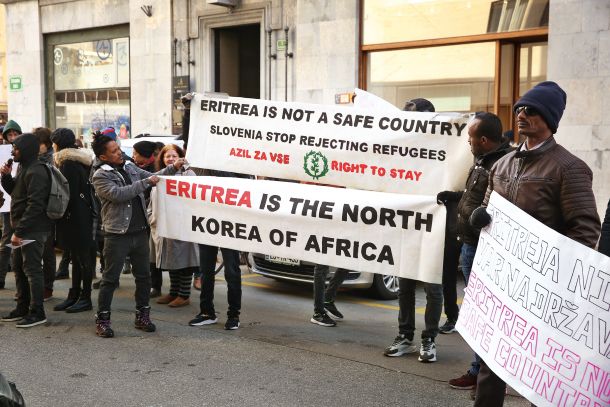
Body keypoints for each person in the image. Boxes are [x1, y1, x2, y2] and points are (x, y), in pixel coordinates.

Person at [472, 81, 601, 406]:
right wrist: (479, 217)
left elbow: (585, 230)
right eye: (519, 109)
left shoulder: (569, 168)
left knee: (539, 368)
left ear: (550, 119)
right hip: (503, 282)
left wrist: (561, 282)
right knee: (491, 359)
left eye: (532, 110)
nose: (522, 114)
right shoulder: (501, 164)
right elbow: (488, 209)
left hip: (544, 289)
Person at [437, 112, 513, 392]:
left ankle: (482, 374)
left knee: (484, 314)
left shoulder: (503, 165)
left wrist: (477, 218)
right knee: (479, 312)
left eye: (470, 137)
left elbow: (494, 207)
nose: (467, 142)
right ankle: (481, 372)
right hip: (470, 243)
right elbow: (475, 199)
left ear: (482, 140)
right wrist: (454, 198)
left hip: (483, 247)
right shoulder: (482, 161)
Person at [91, 132, 185, 338]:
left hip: (140, 232)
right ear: (103, 157)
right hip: (117, 234)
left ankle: (142, 316)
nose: (120, 153)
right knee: (110, 279)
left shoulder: (129, 166)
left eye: (119, 149)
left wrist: (174, 167)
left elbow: (155, 177)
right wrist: (146, 183)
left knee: (143, 277)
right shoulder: (100, 175)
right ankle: (102, 320)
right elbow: (118, 194)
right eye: (114, 151)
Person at [383, 98, 443, 363]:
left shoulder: (445, 147)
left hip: (435, 227)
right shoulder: (402, 147)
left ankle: (429, 339)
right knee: (405, 285)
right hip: (407, 226)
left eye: (413, 117)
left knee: (433, 287)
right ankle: (405, 335)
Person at [0, 133, 52, 328]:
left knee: (32, 270)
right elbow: (17, 193)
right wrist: (5, 176)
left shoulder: (36, 171)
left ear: (27, 150)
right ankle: (22, 307)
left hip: (32, 230)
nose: (13, 151)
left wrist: (19, 231)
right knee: (19, 269)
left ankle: (37, 312)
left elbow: (35, 205)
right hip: (23, 228)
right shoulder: (25, 168)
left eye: (16, 148)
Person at [51, 128, 95, 313]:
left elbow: (67, 195)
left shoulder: (68, 163)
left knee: (82, 259)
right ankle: (75, 295)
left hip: (76, 218)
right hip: (80, 215)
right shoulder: (76, 160)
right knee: (77, 259)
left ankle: (84, 298)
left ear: (57, 144)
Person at [151, 144, 199, 308]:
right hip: (165, 225)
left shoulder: (188, 174)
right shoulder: (159, 176)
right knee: (172, 259)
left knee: (184, 259)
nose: (170, 159)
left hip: (182, 224)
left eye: (174, 156)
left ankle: (184, 295)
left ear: (181, 156)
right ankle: (173, 292)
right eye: (167, 156)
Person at [33, 127, 56, 301]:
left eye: (39, 144)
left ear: (47, 144)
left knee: (47, 251)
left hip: (47, 211)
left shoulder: (53, 160)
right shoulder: (31, 159)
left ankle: (48, 286)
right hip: (32, 211)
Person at [0, 120, 21, 290]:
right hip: (7, 202)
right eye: (9, 135)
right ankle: (1, 276)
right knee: (7, 238)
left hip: (21, 202)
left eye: (15, 134)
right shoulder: (3, 151)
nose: (12, 137)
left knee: (21, 240)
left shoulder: (24, 151)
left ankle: (20, 276)